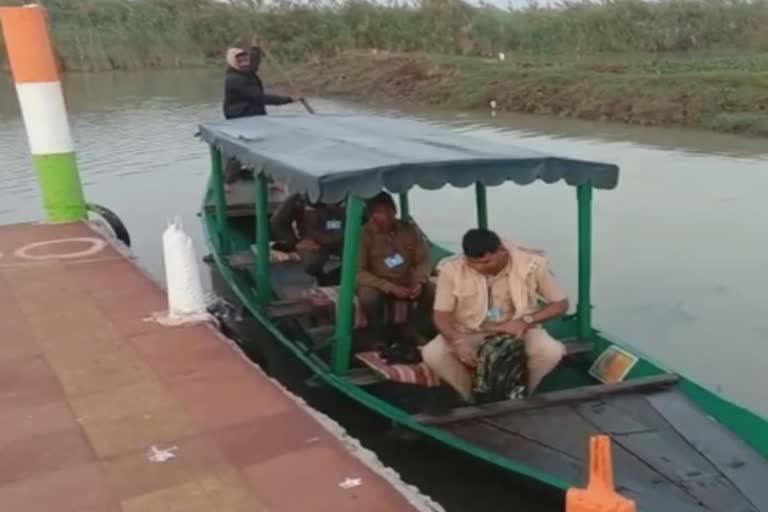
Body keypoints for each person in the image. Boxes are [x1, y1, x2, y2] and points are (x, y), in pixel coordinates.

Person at [422, 228, 569, 402]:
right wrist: (457, 340)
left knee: (551, 351)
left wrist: (526, 320)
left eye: (486, 262)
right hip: (471, 332)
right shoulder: (451, 270)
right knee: (433, 353)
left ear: (501, 251)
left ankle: (520, 395)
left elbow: (561, 304)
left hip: (518, 331)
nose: (479, 267)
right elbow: (441, 314)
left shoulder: (532, 265)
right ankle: (471, 398)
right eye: (472, 263)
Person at [357, 192, 435, 347]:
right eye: (380, 212)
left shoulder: (409, 230)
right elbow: (358, 272)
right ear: (371, 214)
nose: (386, 216)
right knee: (368, 297)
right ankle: (377, 336)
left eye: (389, 211)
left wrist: (418, 282)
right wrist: (390, 287)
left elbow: (423, 260)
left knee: (435, 290)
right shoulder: (362, 234)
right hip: (378, 283)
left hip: (406, 281)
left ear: (395, 210)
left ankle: (413, 330)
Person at [222, 37, 296, 184]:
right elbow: (259, 97)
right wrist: (288, 99)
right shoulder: (234, 80)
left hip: (253, 115)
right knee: (241, 149)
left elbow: (253, 64)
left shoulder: (246, 72)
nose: (244, 63)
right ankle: (228, 181)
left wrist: (255, 49)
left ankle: (268, 179)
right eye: (240, 61)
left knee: (262, 145)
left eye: (245, 60)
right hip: (241, 117)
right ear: (233, 63)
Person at [270, 193, 345, 285]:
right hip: (313, 243)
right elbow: (278, 221)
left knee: (359, 258)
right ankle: (320, 276)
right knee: (311, 263)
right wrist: (296, 242)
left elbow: (366, 220)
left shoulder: (356, 191)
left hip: (346, 240)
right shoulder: (300, 196)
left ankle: (336, 277)